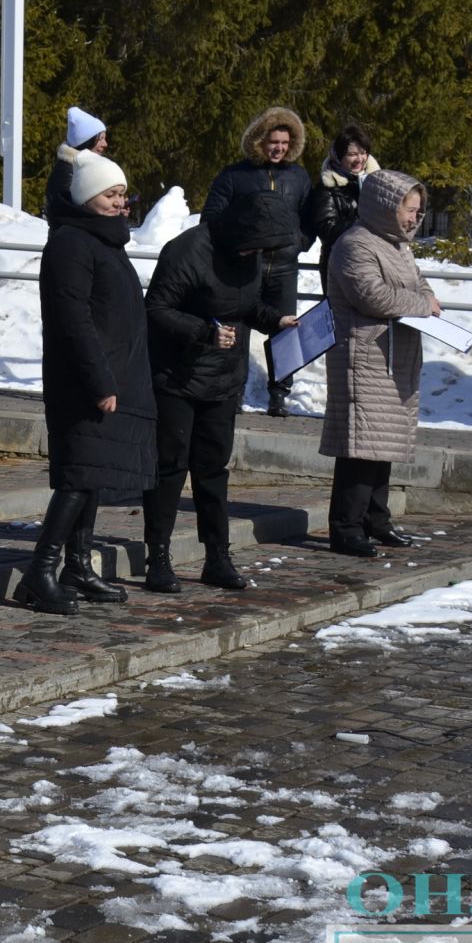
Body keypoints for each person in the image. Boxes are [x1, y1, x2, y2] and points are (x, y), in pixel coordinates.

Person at [21, 150, 158, 614]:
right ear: (85, 197)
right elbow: (73, 319)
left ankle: (77, 564)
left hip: (113, 375)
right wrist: (99, 379)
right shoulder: (71, 243)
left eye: (123, 194)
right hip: (82, 381)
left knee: (93, 474)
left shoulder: (106, 241)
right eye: (110, 194)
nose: (122, 203)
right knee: (78, 476)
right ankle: (40, 571)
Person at [143, 192, 300, 593]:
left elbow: (246, 305)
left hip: (224, 380)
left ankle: (218, 555)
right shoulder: (188, 250)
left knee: (213, 471)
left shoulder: (249, 255)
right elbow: (157, 309)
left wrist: (276, 320)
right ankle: (158, 556)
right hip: (177, 376)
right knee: (170, 468)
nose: (258, 254)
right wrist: (203, 332)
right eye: (256, 245)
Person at [320, 170, 437, 557]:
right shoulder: (355, 244)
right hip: (364, 357)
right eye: (409, 210)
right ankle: (346, 528)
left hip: (394, 357)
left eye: (418, 211)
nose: (414, 218)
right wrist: (422, 305)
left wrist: (425, 300)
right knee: (361, 445)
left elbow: (422, 286)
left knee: (383, 444)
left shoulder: (398, 247)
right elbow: (373, 296)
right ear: (386, 207)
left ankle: (376, 519)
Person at [204, 106, 313, 417]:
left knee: (285, 331)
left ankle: (279, 395)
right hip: (244, 269)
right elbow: (213, 216)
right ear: (258, 141)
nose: (278, 148)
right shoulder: (235, 175)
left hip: (284, 269)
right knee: (238, 330)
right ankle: (233, 392)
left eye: (284, 142)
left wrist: (299, 242)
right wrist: (235, 247)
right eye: (272, 141)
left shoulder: (299, 176)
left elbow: (310, 217)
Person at [304, 124, 378, 294]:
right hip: (339, 263)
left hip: (372, 263)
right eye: (352, 154)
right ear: (338, 156)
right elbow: (326, 228)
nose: (359, 159)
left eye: (363, 152)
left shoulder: (377, 182)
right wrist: (361, 224)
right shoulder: (327, 186)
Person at [44, 106, 107, 217]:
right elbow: (69, 214)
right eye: (101, 139)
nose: (105, 144)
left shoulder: (83, 168)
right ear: (87, 141)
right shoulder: (66, 173)